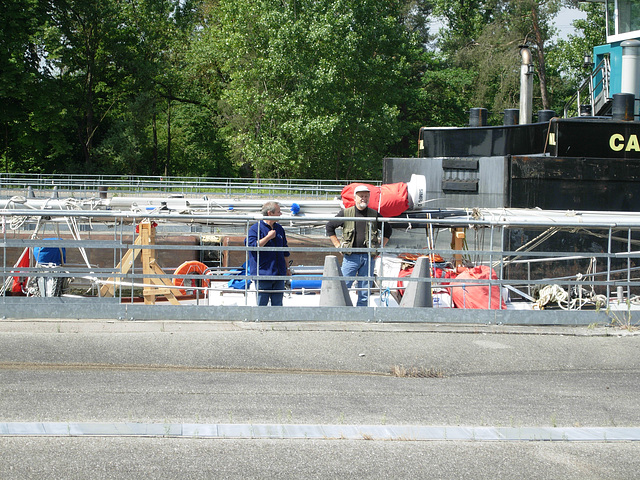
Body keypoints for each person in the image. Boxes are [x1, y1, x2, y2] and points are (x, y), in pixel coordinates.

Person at [326, 185, 392, 306]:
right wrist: (338, 245)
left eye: (366, 196)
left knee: (364, 290)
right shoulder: (346, 213)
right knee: (344, 286)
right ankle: (342, 310)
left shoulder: (374, 214)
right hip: (350, 257)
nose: (364, 198)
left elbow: (388, 230)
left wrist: (379, 248)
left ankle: (361, 315)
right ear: (355, 197)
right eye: (361, 196)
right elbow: (329, 227)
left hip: (368, 257)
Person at [247, 201, 290, 306]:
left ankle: (276, 322)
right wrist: (268, 237)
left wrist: (287, 268)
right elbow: (252, 246)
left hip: (279, 274)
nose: (280, 214)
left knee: (278, 304)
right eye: (278, 212)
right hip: (263, 274)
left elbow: (285, 250)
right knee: (262, 303)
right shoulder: (255, 229)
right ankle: (261, 321)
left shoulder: (279, 228)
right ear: (270, 213)